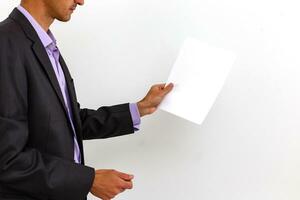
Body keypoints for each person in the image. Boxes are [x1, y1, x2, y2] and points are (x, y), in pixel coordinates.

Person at [0, 0, 173, 199]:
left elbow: (69, 122)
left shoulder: (46, 46)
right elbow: (7, 159)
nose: (81, 1)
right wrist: (88, 180)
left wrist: (140, 108)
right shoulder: (5, 44)